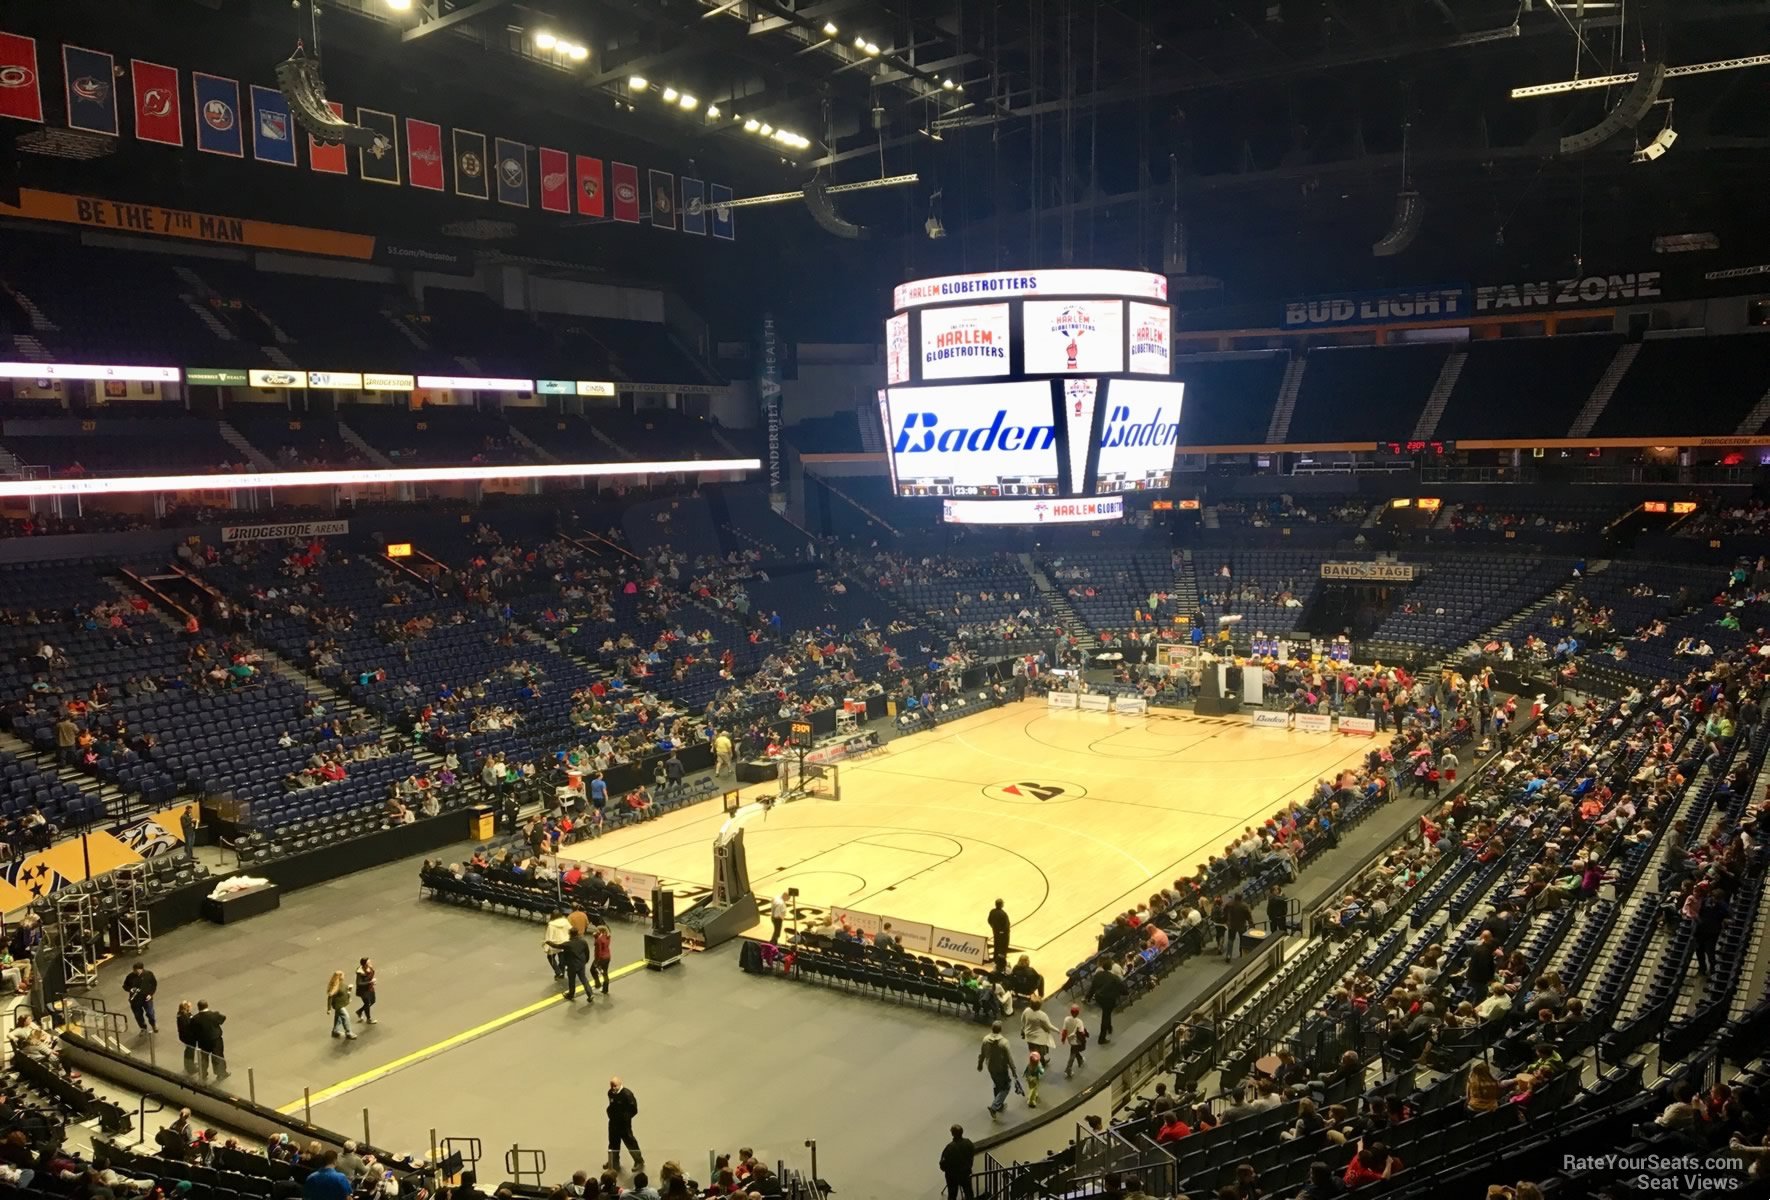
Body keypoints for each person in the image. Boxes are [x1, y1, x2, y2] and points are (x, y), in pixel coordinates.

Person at [605, 1076, 643, 1173]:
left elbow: (634, 1109)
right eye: (611, 1086)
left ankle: (639, 1161)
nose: (613, 1088)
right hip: (613, 1123)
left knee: (630, 1142)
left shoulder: (627, 1095)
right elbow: (611, 1105)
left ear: (620, 1084)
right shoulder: (610, 1093)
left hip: (623, 1124)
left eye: (615, 1086)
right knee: (613, 1143)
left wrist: (626, 1118)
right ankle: (614, 1162)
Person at [978, 1021, 1014, 1117]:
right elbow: (1009, 1058)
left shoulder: (985, 1039)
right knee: (1006, 1086)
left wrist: (980, 1064)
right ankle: (994, 1106)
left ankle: (999, 1104)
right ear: (1001, 1029)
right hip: (1001, 1068)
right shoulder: (1004, 1042)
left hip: (990, 1067)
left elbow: (982, 1053)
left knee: (997, 1083)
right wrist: (1014, 1070)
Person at [1087, 959, 1126, 1045]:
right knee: (1106, 1016)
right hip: (1109, 999)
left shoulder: (1098, 975)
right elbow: (1122, 988)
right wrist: (1123, 993)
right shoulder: (1114, 977)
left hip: (1099, 998)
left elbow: (1093, 987)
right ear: (1110, 967)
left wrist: (1088, 997)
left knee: (1106, 1013)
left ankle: (1109, 1027)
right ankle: (1102, 1038)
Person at [191, 999, 227, 1079]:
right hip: (215, 1039)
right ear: (207, 1006)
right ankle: (221, 1073)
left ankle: (203, 1074)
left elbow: (193, 1029)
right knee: (218, 1056)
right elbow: (223, 1018)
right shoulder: (214, 1014)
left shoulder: (195, 1018)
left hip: (202, 1041)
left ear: (198, 1007)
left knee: (203, 1058)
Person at [939, 1125, 975, 1200]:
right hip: (966, 1173)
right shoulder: (968, 1142)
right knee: (969, 1193)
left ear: (953, 1134)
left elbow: (943, 1164)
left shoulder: (949, 1147)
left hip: (953, 1176)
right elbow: (972, 1153)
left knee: (952, 1195)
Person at [123, 960, 158, 1033]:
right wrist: (130, 989)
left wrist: (150, 994)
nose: (134, 971)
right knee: (138, 1015)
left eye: (136, 970)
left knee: (150, 1013)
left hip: (146, 998)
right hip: (135, 1000)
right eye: (134, 970)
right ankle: (143, 1028)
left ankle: (153, 1024)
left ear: (141, 969)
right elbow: (125, 986)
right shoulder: (130, 976)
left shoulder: (149, 974)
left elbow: (154, 985)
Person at [562, 928, 593, 1003]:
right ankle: (590, 993)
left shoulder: (568, 944)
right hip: (581, 963)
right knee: (584, 979)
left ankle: (571, 994)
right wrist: (586, 960)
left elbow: (564, 954)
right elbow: (587, 952)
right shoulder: (583, 942)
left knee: (572, 980)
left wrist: (565, 964)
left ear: (570, 934)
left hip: (572, 965)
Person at [1060, 1004, 1089, 1078]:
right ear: (1078, 1013)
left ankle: (1080, 1060)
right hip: (1077, 1041)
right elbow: (1082, 1033)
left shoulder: (1066, 1019)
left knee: (1074, 1051)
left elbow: (1064, 1031)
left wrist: (1063, 1039)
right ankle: (1068, 1069)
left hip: (1070, 1040)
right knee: (1072, 1055)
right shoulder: (1079, 1022)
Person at [326, 971, 356, 1040]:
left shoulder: (341, 984)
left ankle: (335, 1031)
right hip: (338, 1005)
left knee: (338, 1017)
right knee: (346, 1017)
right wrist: (329, 1009)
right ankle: (349, 1033)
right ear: (339, 977)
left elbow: (345, 992)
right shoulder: (335, 986)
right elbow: (330, 997)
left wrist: (349, 990)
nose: (344, 976)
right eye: (343, 975)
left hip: (342, 1003)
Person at [1223, 892, 1252, 962]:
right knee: (1242, 940)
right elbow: (1248, 916)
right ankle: (1242, 954)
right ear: (1241, 898)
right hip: (1242, 925)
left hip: (1232, 925)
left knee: (1230, 940)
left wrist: (1226, 921)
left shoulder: (1230, 904)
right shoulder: (1244, 906)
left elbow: (1224, 912)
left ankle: (1228, 955)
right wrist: (1251, 923)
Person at [175, 1000, 200, 1075]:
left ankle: (189, 1064)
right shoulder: (184, 1017)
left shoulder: (182, 1014)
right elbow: (188, 1027)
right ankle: (190, 1068)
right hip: (188, 1037)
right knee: (190, 1051)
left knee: (189, 1050)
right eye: (190, 1006)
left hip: (186, 1036)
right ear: (186, 1008)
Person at [545, 910, 573, 979]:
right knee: (562, 959)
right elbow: (570, 930)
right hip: (564, 943)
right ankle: (562, 973)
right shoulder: (565, 921)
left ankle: (558, 972)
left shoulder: (551, 925)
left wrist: (546, 945)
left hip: (554, 944)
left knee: (550, 957)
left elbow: (548, 937)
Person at [988, 900, 1011, 972]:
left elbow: (989, 920)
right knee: (1003, 947)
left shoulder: (992, 911)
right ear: (1001, 905)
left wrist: (993, 927)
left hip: (995, 932)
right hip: (1003, 934)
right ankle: (1001, 962)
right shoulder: (1003, 914)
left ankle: (995, 959)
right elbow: (1007, 925)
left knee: (996, 945)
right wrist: (1002, 931)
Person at [591, 924, 613, 995]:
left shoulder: (599, 940)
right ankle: (605, 989)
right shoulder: (607, 936)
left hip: (600, 958)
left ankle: (597, 984)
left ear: (600, 931)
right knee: (605, 973)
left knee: (592, 970)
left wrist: (597, 962)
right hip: (607, 957)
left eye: (597, 931)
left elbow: (598, 951)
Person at [354, 958, 377, 1024]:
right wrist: (370, 982)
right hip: (363, 991)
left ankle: (359, 1011)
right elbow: (359, 983)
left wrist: (372, 982)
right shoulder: (360, 972)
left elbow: (371, 976)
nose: (370, 962)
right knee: (367, 1003)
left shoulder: (370, 968)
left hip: (370, 988)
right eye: (368, 962)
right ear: (365, 964)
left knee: (373, 1001)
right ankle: (368, 1019)